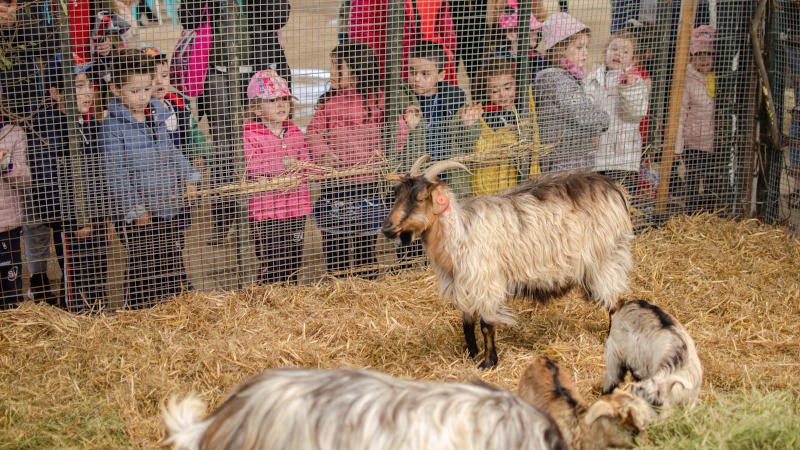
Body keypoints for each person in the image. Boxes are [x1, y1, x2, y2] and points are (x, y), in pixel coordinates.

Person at [102, 50, 201, 309]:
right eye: (135, 91)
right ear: (115, 89)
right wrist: (135, 208)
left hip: (168, 203)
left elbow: (172, 151)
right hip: (141, 212)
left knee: (171, 257)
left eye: (146, 88)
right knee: (143, 265)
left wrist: (189, 177)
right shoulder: (112, 126)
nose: (143, 96)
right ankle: (139, 310)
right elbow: (116, 173)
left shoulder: (157, 113)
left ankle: (177, 306)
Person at [28, 55, 109, 313]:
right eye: (78, 86)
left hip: (95, 216)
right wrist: (73, 218)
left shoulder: (88, 123)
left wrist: (98, 210)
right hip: (71, 222)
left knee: (97, 271)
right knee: (76, 277)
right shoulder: (47, 129)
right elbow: (47, 182)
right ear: (55, 92)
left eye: (88, 84)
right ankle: (77, 318)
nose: (88, 92)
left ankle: (97, 316)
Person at [307, 41, 387, 278]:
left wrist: (387, 147)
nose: (332, 73)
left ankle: (368, 280)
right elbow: (313, 132)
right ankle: (338, 281)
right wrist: (322, 153)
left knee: (365, 243)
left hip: (367, 183)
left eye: (337, 67)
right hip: (335, 183)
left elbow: (393, 129)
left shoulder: (378, 100)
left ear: (357, 70)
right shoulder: (327, 102)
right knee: (335, 242)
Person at [394, 40, 465, 268]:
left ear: (442, 75)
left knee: (442, 222)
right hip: (415, 173)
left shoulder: (454, 98)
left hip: (442, 175)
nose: (417, 79)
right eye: (413, 72)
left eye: (425, 74)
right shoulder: (402, 98)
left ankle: (439, 264)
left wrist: (468, 125)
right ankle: (407, 265)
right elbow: (400, 147)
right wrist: (411, 130)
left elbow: (463, 139)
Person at [243, 70, 312, 285]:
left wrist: (297, 175)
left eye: (284, 99)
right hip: (266, 211)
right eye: (273, 100)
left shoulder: (294, 132)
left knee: (294, 258)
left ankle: (291, 293)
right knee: (272, 260)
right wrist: (281, 167)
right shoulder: (249, 134)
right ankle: (269, 295)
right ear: (256, 107)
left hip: (296, 206)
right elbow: (251, 166)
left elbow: (306, 163)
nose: (282, 105)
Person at [533, 12, 609, 173]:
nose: (585, 52)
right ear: (559, 49)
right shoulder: (558, 80)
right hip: (566, 159)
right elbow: (580, 112)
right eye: (579, 47)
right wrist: (604, 120)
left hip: (569, 156)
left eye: (586, 47)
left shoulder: (563, 78)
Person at [584, 30, 650, 195]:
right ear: (604, 53)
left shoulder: (636, 83)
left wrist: (629, 88)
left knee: (621, 199)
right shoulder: (592, 80)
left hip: (623, 157)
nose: (618, 54)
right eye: (614, 49)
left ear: (633, 60)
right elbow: (586, 112)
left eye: (625, 51)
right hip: (598, 157)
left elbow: (636, 113)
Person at [450, 58, 523, 197]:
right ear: (485, 91)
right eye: (495, 91)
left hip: (516, 183)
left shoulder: (523, 109)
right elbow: (470, 145)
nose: (503, 95)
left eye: (508, 88)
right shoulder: (483, 114)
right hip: (488, 185)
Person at [345, 0, 459, 84]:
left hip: (430, 63)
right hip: (391, 67)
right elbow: (361, 31)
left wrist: (447, 52)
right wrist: (368, 68)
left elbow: (445, 24)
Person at [140, 44, 210, 169]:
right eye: (152, 77)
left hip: (184, 170)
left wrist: (201, 154)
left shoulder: (178, 103)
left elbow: (194, 132)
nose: (159, 81)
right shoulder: (141, 112)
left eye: (164, 75)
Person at [676, 25, 719, 213]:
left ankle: (711, 213)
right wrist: (678, 146)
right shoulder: (687, 79)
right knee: (693, 179)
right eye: (698, 54)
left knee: (711, 179)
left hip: (715, 142)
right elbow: (681, 113)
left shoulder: (720, 79)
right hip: (693, 142)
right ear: (692, 56)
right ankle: (691, 213)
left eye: (708, 54)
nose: (703, 59)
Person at [0, 120, 30, 309]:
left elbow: (26, 178)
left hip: (7, 223)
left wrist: (6, 165)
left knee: (10, 283)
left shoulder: (13, 133)